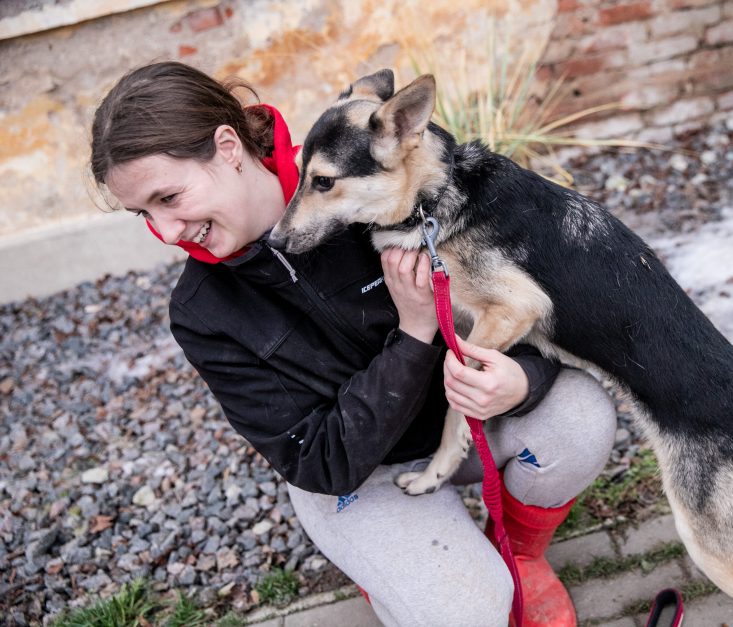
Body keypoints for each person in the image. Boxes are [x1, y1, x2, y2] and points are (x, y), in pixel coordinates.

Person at [91, 61, 617, 626]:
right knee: (466, 611)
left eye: (168, 197)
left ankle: (518, 554)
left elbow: (518, 303)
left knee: (581, 417)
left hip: (460, 428)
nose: (166, 232)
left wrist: (522, 380)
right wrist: (415, 334)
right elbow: (315, 459)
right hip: (360, 477)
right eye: (143, 213)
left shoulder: (377, 189)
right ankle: (405, 573)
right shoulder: (202, 313)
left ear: (227, 147)